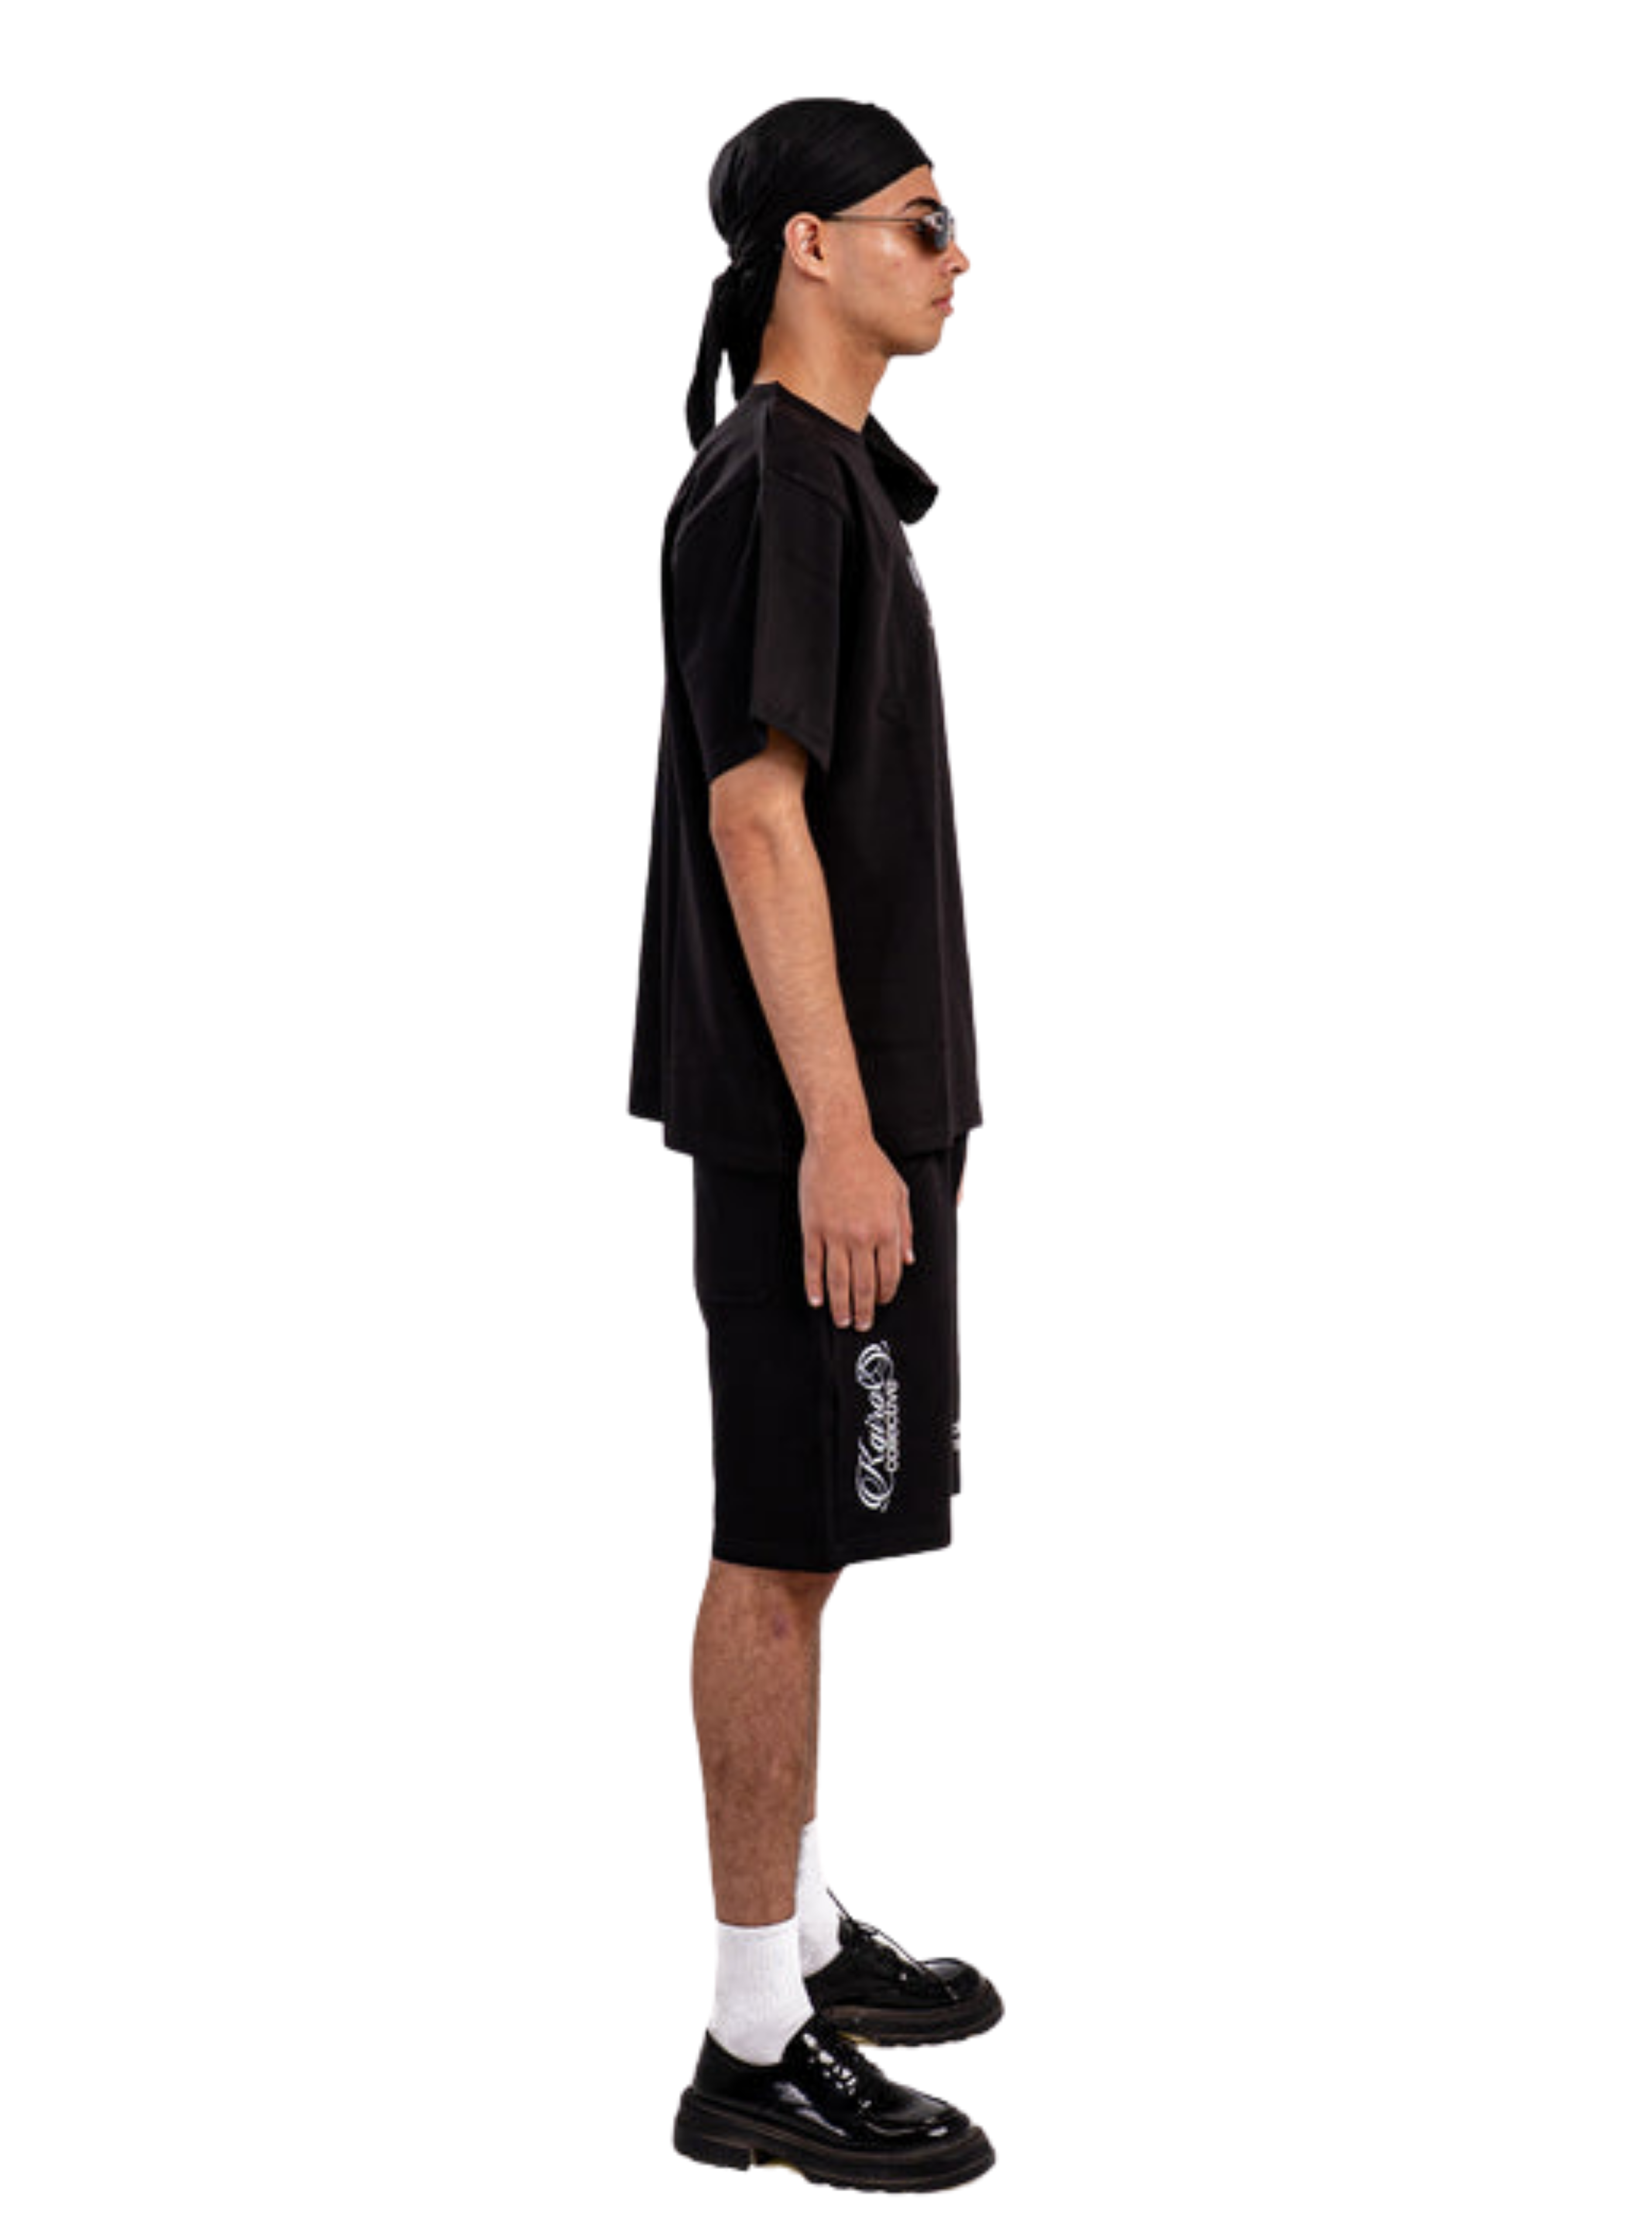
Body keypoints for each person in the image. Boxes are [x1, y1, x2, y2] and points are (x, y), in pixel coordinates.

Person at [627, 96, 997, 2195]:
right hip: (812, 1135)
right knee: (778, 1546)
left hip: (859, 1115)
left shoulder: (826, 477)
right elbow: (752, 813)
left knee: (819, 1531)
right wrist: (843, 1137)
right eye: (921, 222)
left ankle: (809, 1919)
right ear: (808, 245)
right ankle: (753, 2031)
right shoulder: (776, 479)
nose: (957, 258)